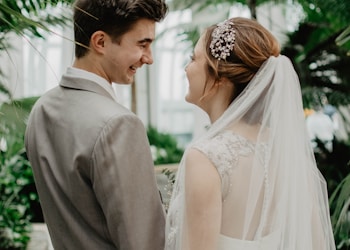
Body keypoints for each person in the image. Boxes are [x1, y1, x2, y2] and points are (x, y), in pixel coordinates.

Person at [165, 17, 336, 250]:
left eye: (193, 58)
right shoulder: (287, 153)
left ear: (219, 78)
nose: (186, 68)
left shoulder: (206, 157)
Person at [25, 0, 168, 249]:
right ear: (100, 42)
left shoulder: (41, 109)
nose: (149, 58)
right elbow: (144, 242)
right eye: (142, 44)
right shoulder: (119, 124)